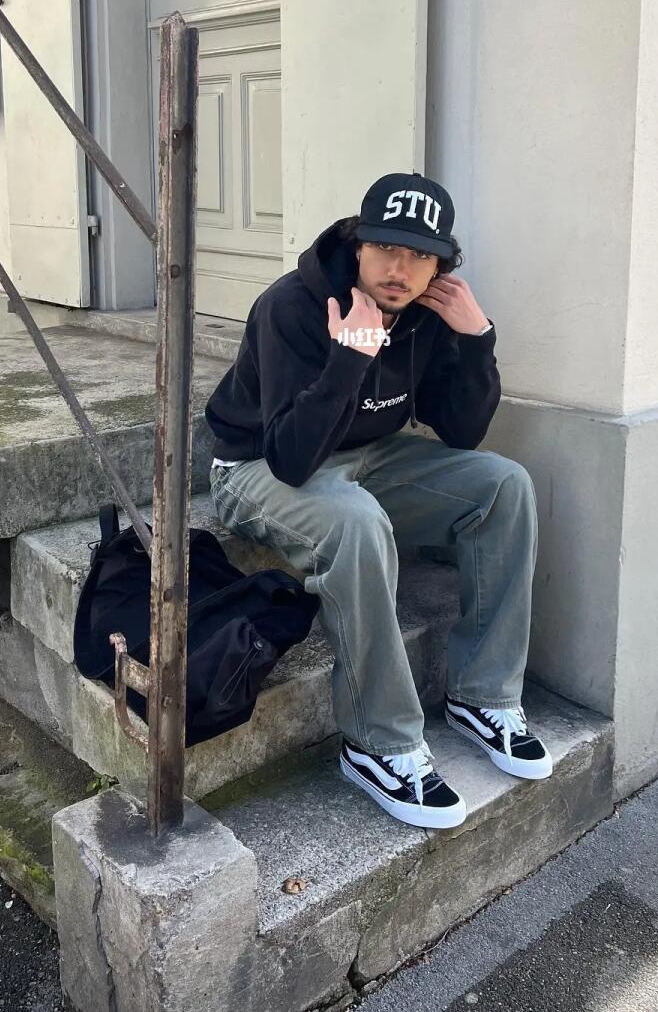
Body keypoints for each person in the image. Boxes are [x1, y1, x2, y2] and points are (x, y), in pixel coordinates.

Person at [204, 171, 550, 829]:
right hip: (257, 466)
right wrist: (352, 356)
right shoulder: (291, 307)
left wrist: (477, 339)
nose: (400, 269)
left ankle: (484, 696)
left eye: (420, 256)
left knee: (504, 485)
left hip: (369, 456)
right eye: (386, 248)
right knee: (356, 521)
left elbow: (462, 431)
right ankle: (378, 742)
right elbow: (291, 457)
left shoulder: (425, 313)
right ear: (357, 244)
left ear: (440, 266)